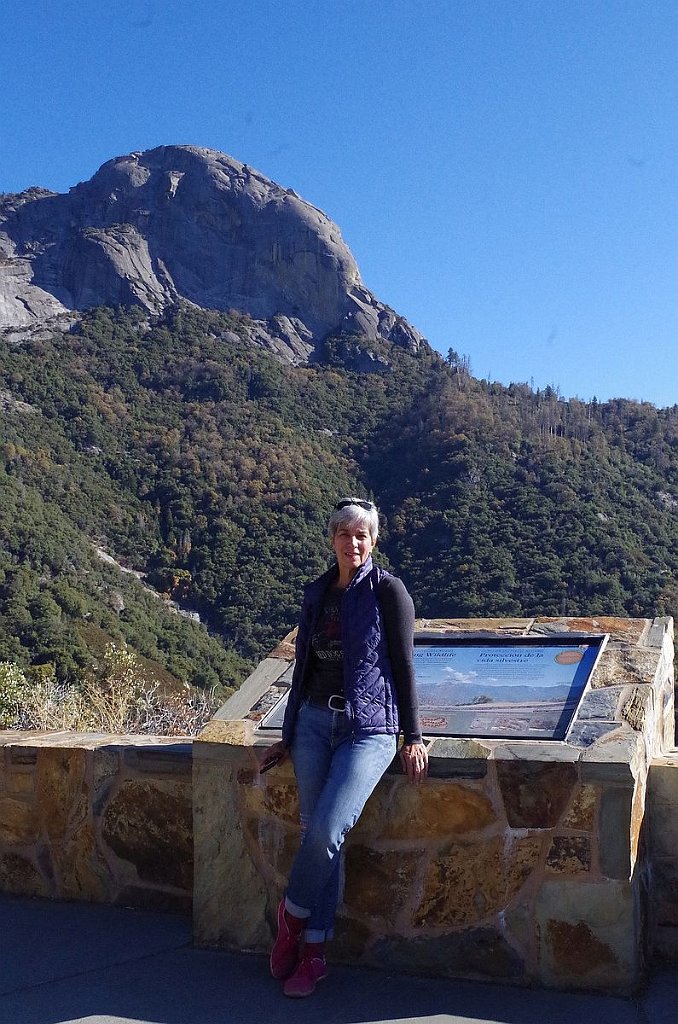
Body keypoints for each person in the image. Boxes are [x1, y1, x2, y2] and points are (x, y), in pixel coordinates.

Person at [259, 497, 428, 998]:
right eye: (344, 534)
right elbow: (302, 670)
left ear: (374, 541)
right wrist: (287, 735)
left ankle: (290, 918)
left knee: (328, 831)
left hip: (369, 730)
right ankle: (313, 954)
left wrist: (413, 736)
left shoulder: (389, 593)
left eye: (362, 535)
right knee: (317, 833)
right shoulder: (317, 593)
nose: (353, 542)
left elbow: (404, 666)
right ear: (331, 538)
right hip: (313, 722)